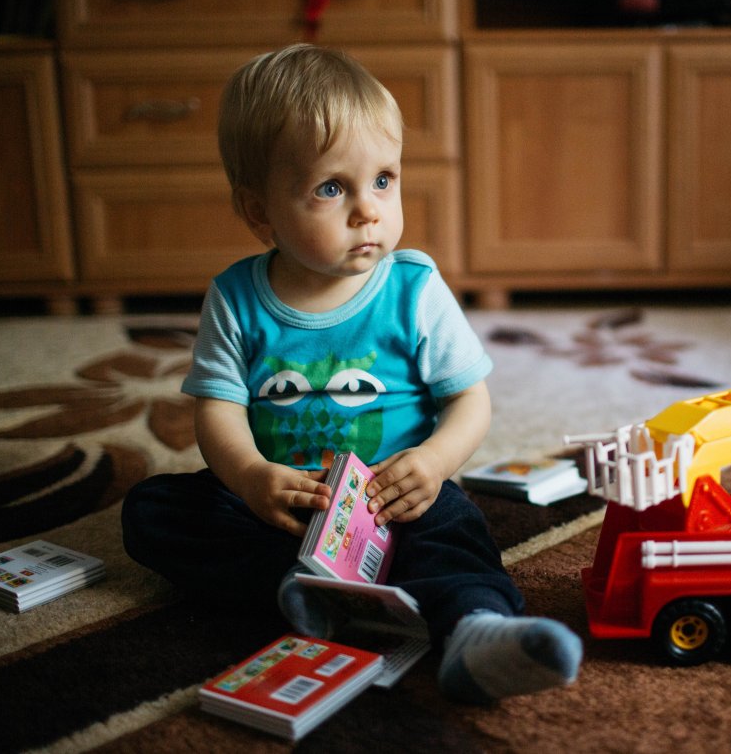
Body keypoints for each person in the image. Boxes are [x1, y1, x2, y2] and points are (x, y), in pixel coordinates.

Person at [121, 44, 581, 705]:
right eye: (332, 188)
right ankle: (302, 590)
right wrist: (253, 478)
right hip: (287, 505)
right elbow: (217, 410)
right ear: (260, 213)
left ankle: (478, 631)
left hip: (393, 498)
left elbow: (469, 401)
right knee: (154, 509)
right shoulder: (236, 296)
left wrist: (431, 462)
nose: (369, 209)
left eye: (384, 180)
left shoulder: (413, 286)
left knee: (453, 527)